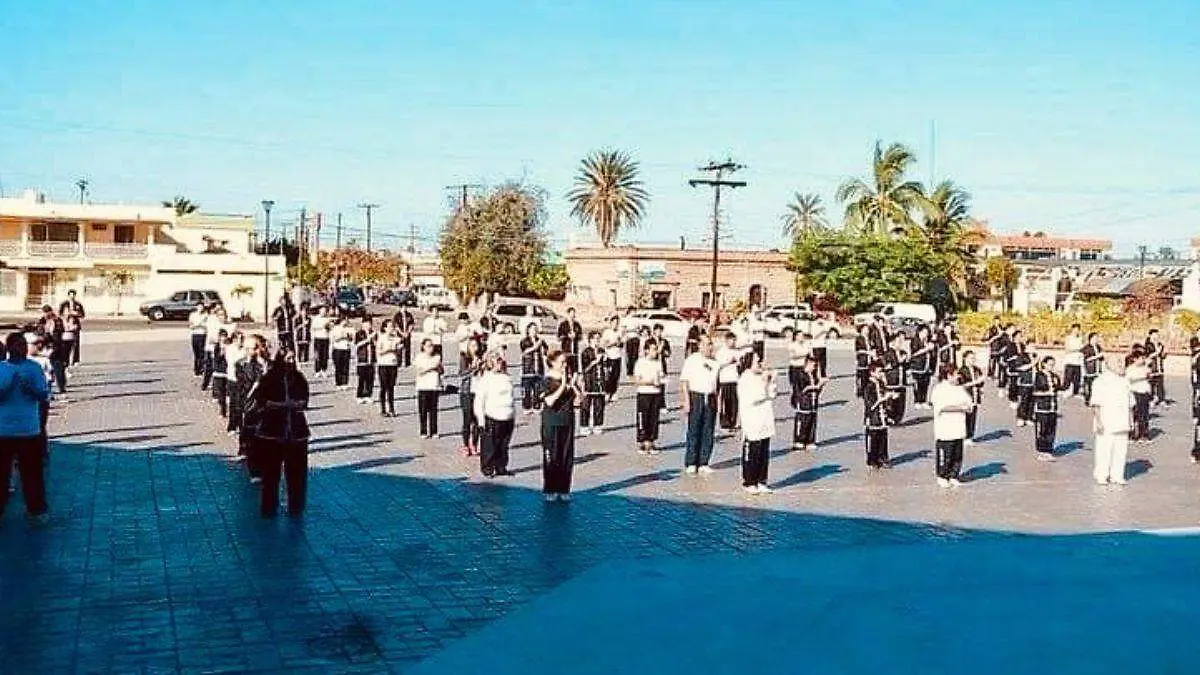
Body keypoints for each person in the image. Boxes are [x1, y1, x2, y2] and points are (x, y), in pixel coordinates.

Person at [252, 349, 310, 518]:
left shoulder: (298, 378)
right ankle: (269, 507)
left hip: (296, 433)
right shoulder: (269, 378)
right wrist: (280, 405)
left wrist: (297, 404)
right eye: (288, 358)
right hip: (272, 432)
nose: (291, 362)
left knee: (297, 473)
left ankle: (296, 506)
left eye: (293, 358)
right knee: (271, 473)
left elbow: (304, 400)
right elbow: (261, 400)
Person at [0, 332, 51, 522]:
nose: (22, 349)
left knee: (31, 472)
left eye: (24, 345)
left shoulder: (34, 368)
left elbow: (43, 394)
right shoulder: (1, 369)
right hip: (3, 430)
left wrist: (29, 389)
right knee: (2, 473)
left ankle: (36, 508)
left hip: (28, 430)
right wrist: (6, 389)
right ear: (9, 348)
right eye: (18, 345)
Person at [541, 350, 581, 501]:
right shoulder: (547, 380)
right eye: (561, 362)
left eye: (565, 362)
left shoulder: (568, 379)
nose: (564, 365)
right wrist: (563, 385)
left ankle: (564, 488)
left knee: (566, 456)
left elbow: (579, 401)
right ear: (552, 362)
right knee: (552, 456)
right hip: (552, 422)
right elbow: (549, 402)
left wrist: (574, 387)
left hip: (567, 421)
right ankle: (550, 488)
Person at [738, 351, 777, 494]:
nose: (760, 364)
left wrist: (771, 381)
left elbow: (772, 394)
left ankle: (762, 480)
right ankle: (749, 481)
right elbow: (755, 397)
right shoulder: (745, 378)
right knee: (752, 451)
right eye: (757, 361)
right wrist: (765, 383)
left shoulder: (760, 377)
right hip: (752, 420)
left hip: (765, 419)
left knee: (763, 452)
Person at [1090, 356, 1133, 486]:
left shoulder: (1125, 380)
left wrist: (1131, 420)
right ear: (1108, 365)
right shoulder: (1100, 381)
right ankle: (1102, 474)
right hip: (1106, 420)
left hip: (1122, 420)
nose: (1121, 364)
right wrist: (1098, 421)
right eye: (1117, 362)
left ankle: (1117, 475)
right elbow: (1095, 403)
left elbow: (1131, 403)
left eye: (1121, 362)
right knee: (1104, 449)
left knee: (1121, 450)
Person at [680, 335, 719, 476]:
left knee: (708, 430)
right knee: (694, 429)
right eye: (708, 344)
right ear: (700, 345)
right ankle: (691, 462)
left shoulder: (715, 363)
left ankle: (704, 461)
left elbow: (717, 385)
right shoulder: (692, 360)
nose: (710, 347)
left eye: (711, 344)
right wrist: (686, 400)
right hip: (696, 395)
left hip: (710, 397)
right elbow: (684, 381)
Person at [930, 365, 973, 487]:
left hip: (959, 427)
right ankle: (942, 475)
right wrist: (959, 407)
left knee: (957, 454)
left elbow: (969, 405)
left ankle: (954, 475)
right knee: (946, 454)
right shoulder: (939, 389)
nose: (958, 376)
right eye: (955, 374)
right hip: (945, 429)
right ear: (948, 375)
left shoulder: (959, 389)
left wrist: (962, 407)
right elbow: (941, 407)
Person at [234, 335, 269, 483]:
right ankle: (254, 470)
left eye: (253, 348)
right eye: (247, 348)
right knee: (252, 437)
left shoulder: (269, 364)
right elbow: (245, 384)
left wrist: (265, 367)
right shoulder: (241, 364)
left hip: (268, 406)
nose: (250, 351)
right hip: (250, 404)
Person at [475, 353, 515, 478]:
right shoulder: (486, 379)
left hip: (507, 415)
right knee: (489, 445)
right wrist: (481, 420)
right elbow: (479, 401)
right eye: (497, 361)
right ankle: (487, 468)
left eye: (501, 361)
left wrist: (514, 413)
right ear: (490, 363)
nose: (500, 364)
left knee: (503, 445)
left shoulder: (506, 377)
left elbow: (511, 396)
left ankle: (501, 467)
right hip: (492, 415)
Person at [634, 341, 664, 455]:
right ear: (646, 350)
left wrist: (659, 382)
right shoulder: (640, 362)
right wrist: (649, 382)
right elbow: (637, 380)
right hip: (644, 393)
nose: (655, 352)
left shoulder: (658, 363)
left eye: (656, 349)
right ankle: (642, 441)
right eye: (652, 349)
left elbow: (661, 376)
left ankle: (651, 441)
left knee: (654, 418)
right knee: (643, 418)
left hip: (656, 393)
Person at [1032, 356, 1065, 460]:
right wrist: (1046, 393)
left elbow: (1059, 388)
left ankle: (1049, 450)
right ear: (1044, 364)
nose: (1051, 367)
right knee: (1042, 429)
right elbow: (1035, 392)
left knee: (1051, 430)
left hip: (1052, 407)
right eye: (1050, 364)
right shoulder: (1039, 375)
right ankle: (1041, 451)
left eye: (1053, 365)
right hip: (1042, 407)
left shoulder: (1055, 376)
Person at [863, 362, 893, 469]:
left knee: (883, 439)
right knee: (873, 440)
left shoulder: (881, 383)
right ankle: (872, 460)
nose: (881, 373)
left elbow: (884, 399)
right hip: (873, 418)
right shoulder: (868, 386)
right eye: (879, 371)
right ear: (872, 373)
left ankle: (882, 458)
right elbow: (870, 405)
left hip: (882, 417)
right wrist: (883, 399)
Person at [792, 356, 824, 451]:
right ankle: (799, 440)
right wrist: (817, 386)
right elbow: (803, 389)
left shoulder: (813, 375)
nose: (814, 368)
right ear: (808, 364)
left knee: (812, 422)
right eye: (813, 365)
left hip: (813, 403)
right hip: (803, 403)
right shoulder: (800, 375)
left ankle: (810, 440)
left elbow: (817, 389)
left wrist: (819, 382)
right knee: (802, 422)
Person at [458, 338, 484, 456]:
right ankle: (465, 445)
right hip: (467, 392)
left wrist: (482, 366)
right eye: (472, 346)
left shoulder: (482, 358)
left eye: (476, 346)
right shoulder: (464, 358)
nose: (474, 348)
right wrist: (474, 367)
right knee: (467, 420)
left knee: (478, 420)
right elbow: (462, 374)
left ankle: (474, 443)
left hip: (479, 392)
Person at [579, 332, 606, 435]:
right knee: (586, 405)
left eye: (599, 339)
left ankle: (598, 424)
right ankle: (584, 425)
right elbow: (585, 369)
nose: (597, 341)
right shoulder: (586, 352)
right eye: (595, 339)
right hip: (589, 380)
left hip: (600, 380)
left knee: (599, 404)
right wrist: (595, 361)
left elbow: (606, 367)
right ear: (590, 340)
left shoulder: (601, 351)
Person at [716, 332, 744, 433]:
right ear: (726, 341)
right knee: (725, 402)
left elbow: (741, 364)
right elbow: (717, 365)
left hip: (735, 380)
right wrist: (728, 362)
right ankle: (724, 424)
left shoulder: (737, 351)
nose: (733, 342)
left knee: (734, 403)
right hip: (724, 380)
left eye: (734, 340)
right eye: (731, 340)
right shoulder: (721, 352)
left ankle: (733, 423)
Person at [414, 338, 442, 438]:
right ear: (423, 347)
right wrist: (431, 367)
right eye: (428, 346)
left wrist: (433, 367)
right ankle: (423, 431)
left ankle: (434, 431)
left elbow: (440, 369)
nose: (431, 348)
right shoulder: (419, 357)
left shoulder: (437, 357)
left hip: (434, 386)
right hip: (423, 386)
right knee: (423, 410)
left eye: (432, 346)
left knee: (433, 410)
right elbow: (419, 371)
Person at [958, 350, 985, 444]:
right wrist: (976, 382)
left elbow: (981, 382)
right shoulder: (962, 370)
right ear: (965, 358)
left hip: (975, 396)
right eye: (970, 358)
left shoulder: (977, 369)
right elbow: (962, 385)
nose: (973, 360)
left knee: (973, 417)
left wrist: (980, 387)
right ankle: (964, 436)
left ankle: (970, 435)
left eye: (974, 358)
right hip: (966, 396)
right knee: (965, 417)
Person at [519, 323, 548, 414]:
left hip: (538, 367)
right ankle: (527, 407)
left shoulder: (540, 340)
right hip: (528, 367)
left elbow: (546, 350)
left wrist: (544, 351)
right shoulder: (524, 341)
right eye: (532, 329)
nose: (534, 331)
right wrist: (535, 347)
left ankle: (536, 406)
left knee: (537, 388)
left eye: (535, 329)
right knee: (527, 389)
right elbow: (524, 351)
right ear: (528, 331)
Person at [1126, 351, 1152, 443]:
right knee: (1136, 415)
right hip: (1136, 392)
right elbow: (1129, 380)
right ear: (1135, 359)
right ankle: (1133, 435)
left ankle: (1144, 435)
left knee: (1145, 415)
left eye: (1143, 358)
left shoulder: (1145, 368)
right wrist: (1142, 378)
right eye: (1141, 358)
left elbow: (1149, 378)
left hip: (1145, 392)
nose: (1142, 360)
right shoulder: (1130, 369)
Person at [882, 334, 909, 425]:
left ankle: (898, 419)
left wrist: (907, 361)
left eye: (901, 342)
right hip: (892, 381)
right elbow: (887, 366)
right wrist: (898, 361)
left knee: (901, 402)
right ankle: (890, 418)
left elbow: (906, 366)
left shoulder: (903, 352)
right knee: (891, 402)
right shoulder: (887, 354)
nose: (900, 344)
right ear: (892, 343)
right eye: (898, 342)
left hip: (902, 381)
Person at [908, 324, 936, 410]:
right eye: (923, 332)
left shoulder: (928, 341)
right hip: (917, 366)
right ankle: (917, 401)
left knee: (925, 384)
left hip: (927, 366)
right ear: (919, 332)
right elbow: (913, 354)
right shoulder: (915, 341)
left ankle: (924, 400)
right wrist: (926, 349)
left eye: (927, 332)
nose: (925, 334)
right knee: (918, 384)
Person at [376, 320, 400, 417]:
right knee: (384, 387)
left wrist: (398, 348)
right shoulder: (381, 338)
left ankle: (392, 408)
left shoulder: (396, 338)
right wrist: (389, 349)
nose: (391, 329)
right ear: (385, 328)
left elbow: (399, 348)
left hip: (393, 364)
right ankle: (383, 409)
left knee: (391, 387)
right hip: (383, 364)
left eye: (392, 327)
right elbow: (379, 352)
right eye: (389, 327)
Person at [224, 333, 245, 435]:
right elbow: (232, 361)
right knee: (233, 403)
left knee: (241, 404)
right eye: (239, 339)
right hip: (232, 378)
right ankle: (232, 426)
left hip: (243, 380)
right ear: (234, 340)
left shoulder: (244, 349)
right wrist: (243, 357)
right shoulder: (230, 349)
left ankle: (242, 426)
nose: (240, 341)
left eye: (242, 339)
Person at [354, 318, 377, 404]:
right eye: (366, 324)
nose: (368, 326)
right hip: (362, 360)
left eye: (370, 324)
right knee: (361, 379)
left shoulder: (374, 333)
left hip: (371, 359)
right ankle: (360, 395)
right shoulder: (359, 333)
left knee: (370, 379)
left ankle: (368, 395)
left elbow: (377, 344)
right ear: (363, 324)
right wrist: (367, 340)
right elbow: (357, 344)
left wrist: (374, 340)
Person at [1013, 338, 1035, 427]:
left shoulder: (1035, 356)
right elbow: (1020, 368)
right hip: (1025, 382)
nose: (1034, 348)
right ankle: (1021, 417)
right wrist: (1033, 364)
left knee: (1032, 401)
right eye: (1032, 346)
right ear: (1027, 346)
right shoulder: (1022, 356)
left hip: (1034, 381)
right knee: (1024, 400)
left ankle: (1029, 417)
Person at [601, 316, 624, 402]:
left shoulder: (620, 332)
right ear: (611, 323)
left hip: (618, 356)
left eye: (617, 323)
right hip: (609, 356)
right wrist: (613, 343)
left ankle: (613, 393)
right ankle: (607, 392)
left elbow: (622, 344)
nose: (616, 325)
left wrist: (620, 343)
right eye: (614, 323)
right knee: (608, 376)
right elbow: (604, 344)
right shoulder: (607, 332)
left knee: (616, 376)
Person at [651, 323, 672, 412]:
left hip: (662, 365)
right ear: (654, 331)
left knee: (662, 386)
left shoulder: (664, 341)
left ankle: (662, 405)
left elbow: (668, 353)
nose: (659, 332)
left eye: (661, 330)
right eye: (658, 330)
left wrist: (663, 351)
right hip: (652, 365)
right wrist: (659, 349)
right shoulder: (650, 341)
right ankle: (654, 405)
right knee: (653, 386)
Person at [329, 317, 354, 390]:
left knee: (346, 366)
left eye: (346, 321)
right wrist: (341, 337)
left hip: (346, 348)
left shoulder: (349, 328)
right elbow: (333, 339)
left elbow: (352, 339)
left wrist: (349, 337)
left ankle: (345, 383)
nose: (345, 322)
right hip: (337, 349)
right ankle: (338, 383)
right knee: (338, 367)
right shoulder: (335, 328)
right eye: (344, 320)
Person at [557, 307, 583, 374]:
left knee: (575, 370)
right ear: (568, 314)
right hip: (566, 350)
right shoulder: (563, 325)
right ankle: (565, 383)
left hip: (574, 351)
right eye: (571, 313)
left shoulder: (577, 325)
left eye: (574, 314)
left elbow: (581, 337)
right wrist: (567, 336)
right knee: (565, 369)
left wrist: (576, 336)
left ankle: (572, 383)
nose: (573, 315)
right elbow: (559, 337)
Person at [1061, 323, 1084, 399]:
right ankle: (1065, 391)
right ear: (1072, 329)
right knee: (1068, 378)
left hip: (1078, 362)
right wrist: (1077, 349)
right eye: (1075, 329)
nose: (1076, 331)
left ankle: (1075, 393)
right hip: (1070, 361)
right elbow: (1067, 349)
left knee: (1077, 379)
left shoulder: (1081, 339)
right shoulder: (1068, 338)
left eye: (1078, 330)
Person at [212, 330, 231, 418]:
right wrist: (222, 353)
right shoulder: (216, 346)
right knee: (221, 393)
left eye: (225, 336)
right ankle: (222, 410)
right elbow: (216, 359)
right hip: (219, 372)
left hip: (228, 372)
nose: (223, 338)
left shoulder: (230, 346)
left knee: (228, 393)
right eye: (222, 336)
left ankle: (227, 409)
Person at [1145, 329, 1167, 406]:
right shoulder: (1148, 345)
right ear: (1150, 335)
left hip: (1159, 367)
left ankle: (1161, 399)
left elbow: (1162, 355)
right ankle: (1151, 399)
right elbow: (1147, 356)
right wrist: (1157, 352)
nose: (1156, 336)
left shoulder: (1160, 344)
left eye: (1157, 334)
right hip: (1152, 367)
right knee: (1152, 384)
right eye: (1155, 334)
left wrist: (1163, 354)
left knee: (1160, 384)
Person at [1081, 332, 1104, 405]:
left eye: (1097, 338)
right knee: (1089, 385)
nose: (1096, 340)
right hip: (1089, 370)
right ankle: (1088, 400)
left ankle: (1095, 399)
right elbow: (1086, 359)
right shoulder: (1086, 348)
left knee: (1096, 385)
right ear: (1090, 339)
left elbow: (1102, 357)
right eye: (1095, 338)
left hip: (1097, 368)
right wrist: (1096, 357)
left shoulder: (1098, 347)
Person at [311, 307, 333, 378]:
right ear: (319, 311)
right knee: (318, 355)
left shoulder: (327, 318)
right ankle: (317, 370)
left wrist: (329, 326)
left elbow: (330, 328)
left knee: (325, 355)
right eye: (322, 311)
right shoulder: (316, 318)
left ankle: (324, 370)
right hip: (318, 338)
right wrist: (322, 326)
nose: (323, 312)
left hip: (326, 338)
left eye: (325, 311)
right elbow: (313, 327)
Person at [189, 304, 209, 376]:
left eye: (201, 307)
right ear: (196, 307)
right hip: (195, 334)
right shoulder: (193, 315)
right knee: (196, 353)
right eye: (199, 307)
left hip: (202, 334)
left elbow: (206, 326)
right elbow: (191, 325)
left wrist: (199, 325)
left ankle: (201, 369)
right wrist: (198, 325)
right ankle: (196, 369)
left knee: (201, 353)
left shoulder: (205, 315)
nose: (200, 308)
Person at [984, 316, 1004, 382]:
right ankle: (990, 374)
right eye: (995, 321)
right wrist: (997, 336)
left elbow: (1003, 336)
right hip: (994, 347)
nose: (996, 322)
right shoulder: (991, 329)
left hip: (1000, 346)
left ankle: (999, 375)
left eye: (998, 321)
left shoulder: (1001, 328)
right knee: (992, 361)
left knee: (1000, 361)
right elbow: (989, 338)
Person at [853, 323, 870, 398]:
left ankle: (867, 390)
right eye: (865, 329)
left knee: (867, 376)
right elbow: (858, 350)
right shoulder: (859, 338)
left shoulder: (869, 338)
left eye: (867, 329)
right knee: (862, 376)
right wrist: (867, 352)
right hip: (862, 359)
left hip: (869, 359)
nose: (867, 331)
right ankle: (861, 391)